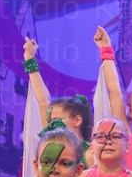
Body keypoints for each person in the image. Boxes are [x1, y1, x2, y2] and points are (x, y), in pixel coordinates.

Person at [23, 37, 94, 169]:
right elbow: (43, 100)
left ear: (77, 120)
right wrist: (30, 59)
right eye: (50, 121)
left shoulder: (90, 154)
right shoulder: (52, 141)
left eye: (57, 121)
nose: (52, 125)